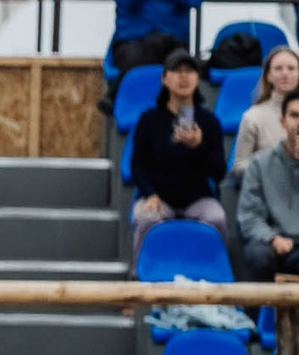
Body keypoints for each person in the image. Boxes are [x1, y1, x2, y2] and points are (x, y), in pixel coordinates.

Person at [127, 48, 229, 258]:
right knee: (147, 218)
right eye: (176, 70)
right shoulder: (149, 119)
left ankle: (218, 277)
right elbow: (137, 166)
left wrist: (198, 147)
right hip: (159, 197)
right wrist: (150, 194)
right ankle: (137, 275)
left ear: (198, 79)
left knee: (216, 218)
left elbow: (219, 172)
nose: (183, 76)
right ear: (164, 78)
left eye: (190, 71)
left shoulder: (209, 122)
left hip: (197, 198)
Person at [236, 89, 299, 277]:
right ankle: (259, 307)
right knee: (257, 255)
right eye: (294, 115)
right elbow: (249, 215)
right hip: (272, 239)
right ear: (282, 121)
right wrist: (272, 238)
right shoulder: (260, 162)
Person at [233, 45, 299, 170]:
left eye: (291, 68)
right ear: (268, 75)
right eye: (278, 68)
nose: (285, 73)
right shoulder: (252, 117)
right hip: (268, 188)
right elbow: (239, 166)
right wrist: (270, 169)